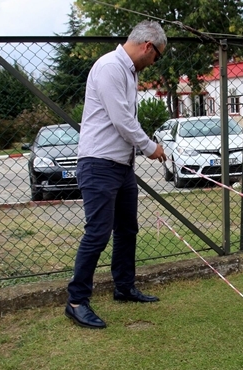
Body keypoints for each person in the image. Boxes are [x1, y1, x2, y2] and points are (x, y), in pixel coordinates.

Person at [65, 21, 168, 329]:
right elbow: (121, 118)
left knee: (127, 229)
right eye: (157, 57)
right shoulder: (110, 67)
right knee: (98, 233)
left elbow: (124, 120)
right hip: (98, 164)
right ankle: (76, 301)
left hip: (121, 167)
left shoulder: (128, 71)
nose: (154, 63)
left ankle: (123, 287)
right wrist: (151, 147)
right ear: (148, 47)